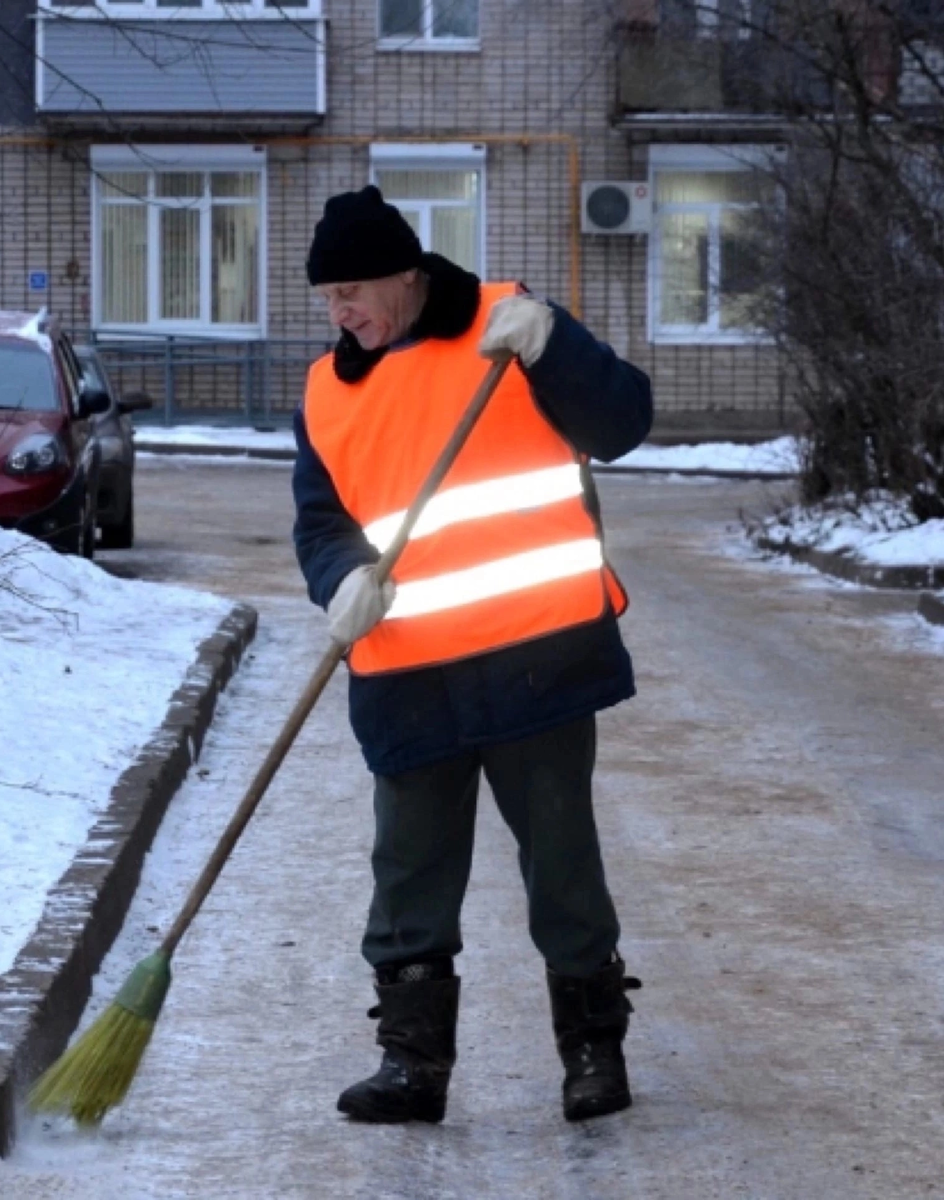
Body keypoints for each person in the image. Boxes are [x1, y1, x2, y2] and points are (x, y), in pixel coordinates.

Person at [292, 185, 652, 1125]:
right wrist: (340, 580)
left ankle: (592, 1055)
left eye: (354, 292)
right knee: (408, 876)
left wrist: (556, 344)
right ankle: (413, 1065)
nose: (341, 314)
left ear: (408, 278)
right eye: (327, 298)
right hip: (407, 673)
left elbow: (623, 425)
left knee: (564, 868)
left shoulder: (510, 329)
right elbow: (320, 520)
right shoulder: (329, 391)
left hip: (538, 660)